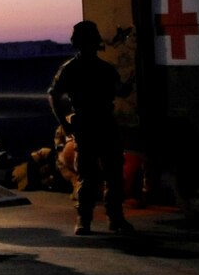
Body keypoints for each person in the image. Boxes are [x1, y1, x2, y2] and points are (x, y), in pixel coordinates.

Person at [47, 19, 135, 234]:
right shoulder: (94, 69)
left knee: (105, 174)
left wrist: (64, 124)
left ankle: (96, 220)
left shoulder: (75, 69)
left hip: (95, 125)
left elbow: (53, 95)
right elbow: (54, 95)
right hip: (94, 125)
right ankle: (95, 219)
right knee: (95, 175)